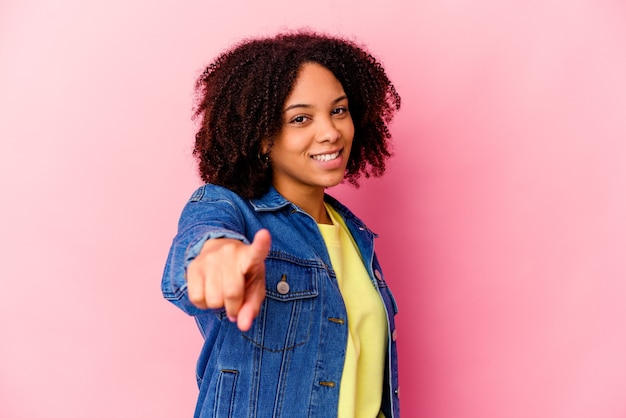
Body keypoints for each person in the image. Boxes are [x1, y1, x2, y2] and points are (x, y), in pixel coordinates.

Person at [162, 30, 401, 418]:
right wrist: (215, 256)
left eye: (338, 110)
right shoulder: (229, 209)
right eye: (301, 118)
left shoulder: (356, 236)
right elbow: (201, 241)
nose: (330, 132)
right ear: (261, 138)